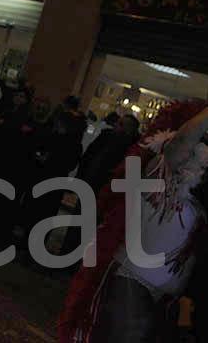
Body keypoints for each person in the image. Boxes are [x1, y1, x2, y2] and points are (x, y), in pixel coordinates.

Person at [59, 100, 208, 342]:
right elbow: (182, 142)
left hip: (165, 297)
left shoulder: (197, 202)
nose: (200, 161)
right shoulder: (159, 171)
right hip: (130, 280)